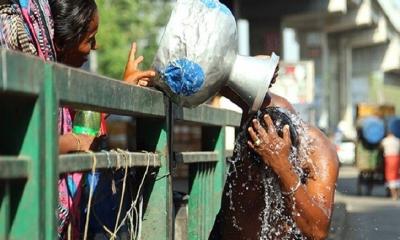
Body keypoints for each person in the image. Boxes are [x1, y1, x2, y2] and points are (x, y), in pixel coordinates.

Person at [49, 0, 155, 238]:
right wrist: (75, 141)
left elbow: (84, 121)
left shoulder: (67, 82)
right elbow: (38, 145)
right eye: (89, 39)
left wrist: (122, 88)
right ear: (62, 41)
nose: (95, 47)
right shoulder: (41, 80)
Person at [209, 70, 339, 239]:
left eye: (268, 174)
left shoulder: (319, 153)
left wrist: (283, 169)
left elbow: (318, 232)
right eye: (255, 170)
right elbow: (214, 74)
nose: (259, 179)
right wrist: (257, 68)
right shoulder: (257, 105)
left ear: (295, 156)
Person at [381, 130, 400, 200]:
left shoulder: (385, 140)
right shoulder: (397, 140)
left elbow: (381, 147)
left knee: (390, 176)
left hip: (389, 159)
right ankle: (397, 193)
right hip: (397, 158)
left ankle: (394, 195)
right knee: (397, 175)